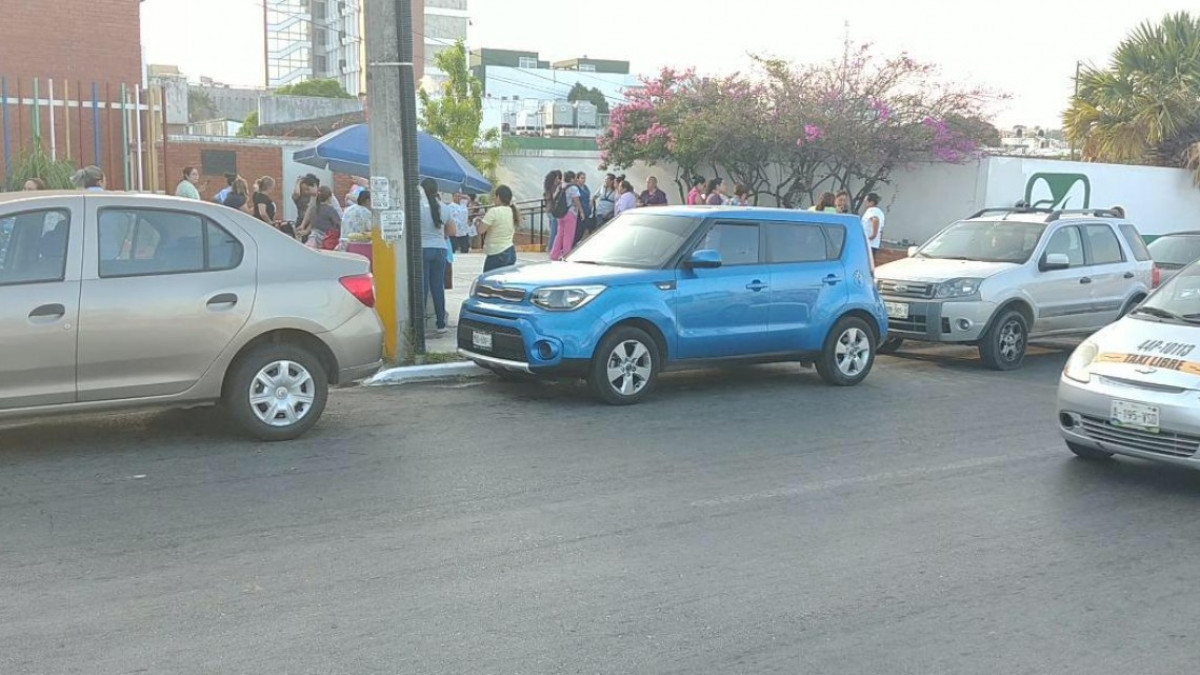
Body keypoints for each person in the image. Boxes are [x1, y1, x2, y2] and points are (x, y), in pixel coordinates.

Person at [420, 178, 456, 334]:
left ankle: (419, 324)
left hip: (422, 249)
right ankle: (441, 324)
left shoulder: (418, 207)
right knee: (437, 287)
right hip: (441, 250)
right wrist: (442, 236)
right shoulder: (444, 207)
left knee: (422, 287)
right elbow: (452, 231)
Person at [476, 185, 519, 272]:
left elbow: (481, 230)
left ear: (498, 197)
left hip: (496, 253)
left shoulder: (494, 211)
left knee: (489, 281)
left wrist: (477, 222)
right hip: (510, 251)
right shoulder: (512, 211)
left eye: (495, 197)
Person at [551, 170, 584, 261]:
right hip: (570, 213)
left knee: (559, 234)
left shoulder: (561, 186)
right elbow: (576, 200)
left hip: (560, 214)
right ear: (572, 178)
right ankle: (566, 255)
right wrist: (581, 211)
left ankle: (554, 254)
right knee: (568, 235)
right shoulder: (573, 188)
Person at [861, 192, 886, 267]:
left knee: (865, 263)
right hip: (874, 243)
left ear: (871, 202)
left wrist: (873, 235)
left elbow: (875, 219)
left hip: (869, 242)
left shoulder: (872, 210)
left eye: (866, 201)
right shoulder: (879, 212)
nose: (864, 203)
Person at [543, 170, 563, 254]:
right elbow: (555, 197)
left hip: (548, 210)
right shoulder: (556, 187)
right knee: (554, 231)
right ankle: (551, 248)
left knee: (553, 230)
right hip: (553, 210)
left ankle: (551, 248)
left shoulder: (548, 186)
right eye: (558, 177)